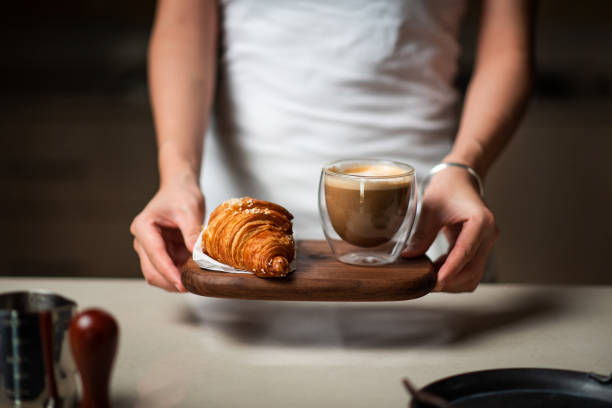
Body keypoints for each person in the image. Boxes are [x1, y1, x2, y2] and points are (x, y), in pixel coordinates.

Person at [130, 0, 535, 293]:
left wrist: (464, 166)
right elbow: (182, 25)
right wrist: (177, 177)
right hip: (234, 242)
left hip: (425, 220)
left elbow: (509, 46)